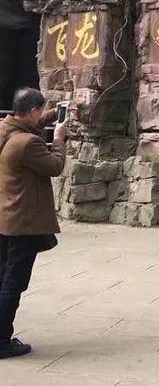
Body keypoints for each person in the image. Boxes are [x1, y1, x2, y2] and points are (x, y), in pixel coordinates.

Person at [0, 88, 67, 359]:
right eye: (40, 111)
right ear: (32, 111)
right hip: (23, 222)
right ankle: (2, 341)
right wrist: (59, 139)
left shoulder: (5, 128)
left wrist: (53, 114)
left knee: (3, 276)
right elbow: (55, 166)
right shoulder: (27, 143)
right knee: (14, 282)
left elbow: (26, 123)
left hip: (5, 217)